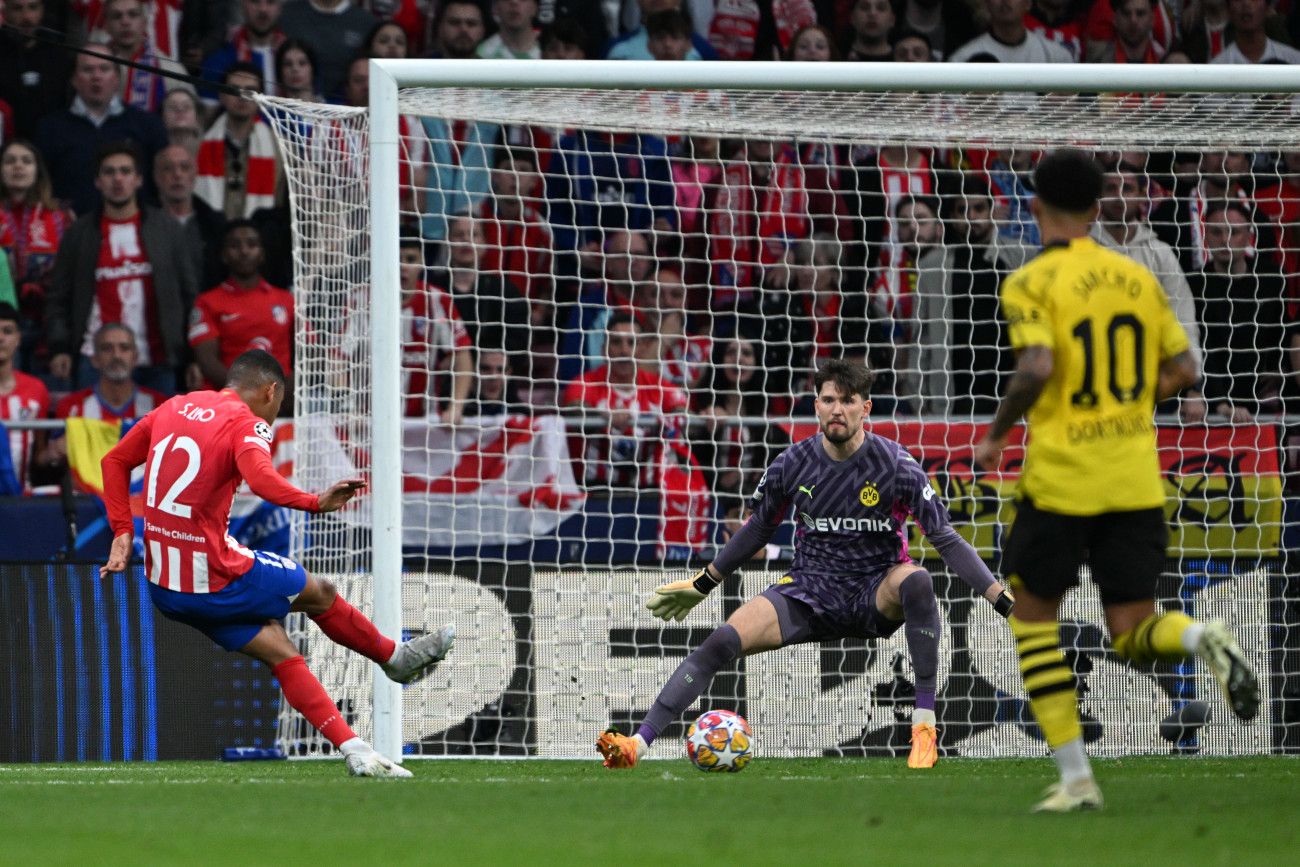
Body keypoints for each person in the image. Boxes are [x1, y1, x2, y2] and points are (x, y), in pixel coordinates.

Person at [972, 149, 1260, 812]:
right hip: (1135, 477)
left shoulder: (1030, 279)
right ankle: (1202, 636)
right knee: (1134, 627)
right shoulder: (1137, 278)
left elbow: (1038, 364)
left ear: (1036, 208)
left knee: (1034, 620)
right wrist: (1127, 402)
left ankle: (1077, 780)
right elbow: (1186, 367)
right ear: (1100, 209)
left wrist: (995, 434)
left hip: (1064, 478)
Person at [597, 358, 1016, 771]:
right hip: (809, 591)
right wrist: (704, 582)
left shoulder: (895, 465)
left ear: (865, 408)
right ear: (816, 405)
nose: (837, 409)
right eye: (829, 399)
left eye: (848, 400)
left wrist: (999, 598)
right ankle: (638, 743)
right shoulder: (792, 464)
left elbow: (944, 537)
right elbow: (757, 529)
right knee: (720, 642)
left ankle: (924, 729)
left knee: (918, 580)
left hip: (875, 589)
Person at [99, 349, 454, 777]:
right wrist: (313, 502)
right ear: (270, 391)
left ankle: (355, 748)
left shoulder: (174, 406)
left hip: (165, 588)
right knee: (320, 593)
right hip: (215, 577)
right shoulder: (247, 423)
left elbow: (113, 460)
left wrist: (123, 532)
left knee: (282, 652)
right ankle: (393, 657)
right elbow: (262, 478)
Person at [46, 141, 198, 395]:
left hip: (157, 360)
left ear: (139, 179)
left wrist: (193, 355)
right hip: (93, 360)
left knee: (161, 436)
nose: (118, 179)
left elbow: (189, 295)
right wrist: (59, 347)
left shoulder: (167, 229)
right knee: (95, 435)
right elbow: (58, 296)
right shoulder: (79, 234)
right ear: (97, 181)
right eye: (109, 172)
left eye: (125, 171)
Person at [32, 43, 169, 215]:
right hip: (71, 233)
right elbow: (39, 188)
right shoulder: (50, 128)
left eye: (104, 69)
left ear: (117, 78)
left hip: (136, 229)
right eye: (88, 70)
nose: (96, 76)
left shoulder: (147, 124)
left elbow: (162, 185)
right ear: (74, 79)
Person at [187, 220, 294, 393]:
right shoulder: (207, 302)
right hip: (228, 401)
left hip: (281, 401)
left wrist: (283, 394)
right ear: (224, 255)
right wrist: (246, 394)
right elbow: (207, 362)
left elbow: (308, 352)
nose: (244, 251)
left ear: (262, 254)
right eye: (235, 246)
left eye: (251, 245)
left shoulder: (286, 299)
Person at [44, 323, 167, 469]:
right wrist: (55, 455)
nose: (116, 355)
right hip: (88, 490)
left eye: (124, 348)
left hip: (143, 491)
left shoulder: (160, 406)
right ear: (94, 360)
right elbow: (54, 463)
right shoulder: (72, 407)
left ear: (135, 358)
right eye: (107, 349)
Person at [195, 62, 285, 221]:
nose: (242, 97)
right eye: (234, 89)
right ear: (222, 96)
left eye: (250, 91)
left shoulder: (280, 148)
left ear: (261, 98)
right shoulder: (199, 146)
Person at [0, 300, 50, 492]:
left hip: (20, 502)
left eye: (7, 331)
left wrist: (55, 452)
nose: (1, 338)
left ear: (18, 339)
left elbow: (39, 455)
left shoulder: (36, 390)